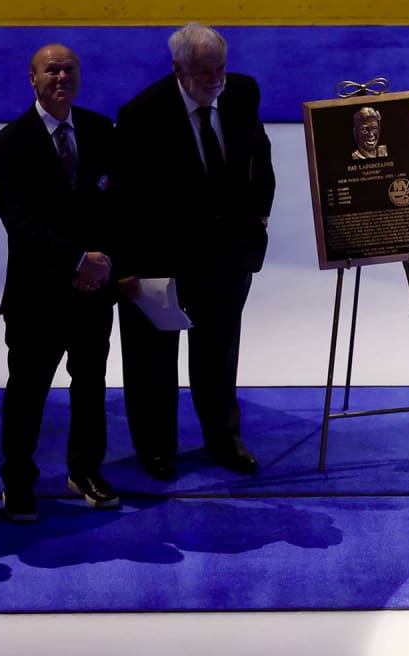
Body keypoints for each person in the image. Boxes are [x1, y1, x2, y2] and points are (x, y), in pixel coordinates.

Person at [112, 23, 275, 480]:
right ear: (178, 69)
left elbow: (260, 158)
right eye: (204, 72)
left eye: (220, 67)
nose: (216, 79)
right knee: (153, 363)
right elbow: (124, 201)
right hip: (163, 259)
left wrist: (259, 213)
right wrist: (129, 269)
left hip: (227, 257)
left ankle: (224, 440)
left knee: (219, 355)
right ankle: (157, 450)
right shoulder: (141, 114)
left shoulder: (243, 92)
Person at [0, 44, 120, 521]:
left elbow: (116, 207)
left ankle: (85, 470)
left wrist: (100, 264)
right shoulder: (8, 143)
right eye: (51, 69)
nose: (61, 76)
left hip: (93, 293)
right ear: (32, 79)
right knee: (27, 394)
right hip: (36, 296)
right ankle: (17, 483)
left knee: (90, 387)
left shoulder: (102, 131)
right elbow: (19, 223)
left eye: (69, 69)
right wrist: (78, 260)